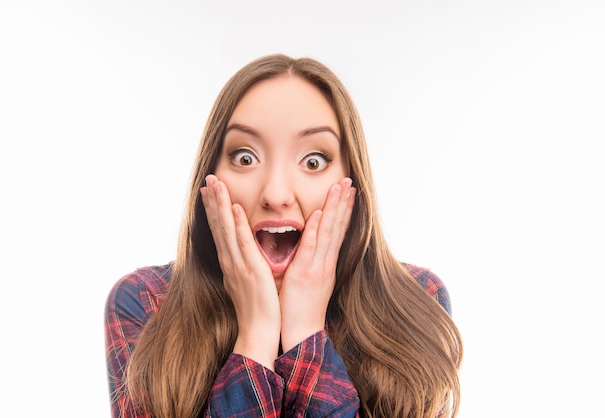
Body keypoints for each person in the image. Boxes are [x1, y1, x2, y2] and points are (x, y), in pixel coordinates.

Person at [105, 54, 462, 418]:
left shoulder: (416, 301)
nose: (275, 194)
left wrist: (306, 332)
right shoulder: (145, 303)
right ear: (210, 178)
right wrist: (256, 338)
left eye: (313, 161)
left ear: (351, 182)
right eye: (245, 158)